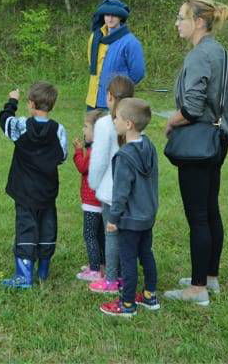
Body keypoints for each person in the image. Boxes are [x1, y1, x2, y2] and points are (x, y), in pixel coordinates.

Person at [164, 0, 228, 306]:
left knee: (198, 216)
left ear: (199, 22)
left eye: (181, 17)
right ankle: (210, 276)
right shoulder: (220, 52)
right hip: (217, 140)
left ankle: (197, 288)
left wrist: (171, 121)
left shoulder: (198, 56)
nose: (177, 23)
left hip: (197, 142)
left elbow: (191, 107)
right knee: (210, 209)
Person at [0, 82, 67, 288]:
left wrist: (12, 101)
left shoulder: (21, 126)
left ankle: (23, 276)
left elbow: (4, 121)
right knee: (47, 225)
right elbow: (62, 156)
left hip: (24, 191)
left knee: (26, 227)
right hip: (47, 190)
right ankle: (43, 270)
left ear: (30, 104)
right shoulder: (59, 129)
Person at [100, 98, 160, 317]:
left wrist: (113, 219)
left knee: (128, 260)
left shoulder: (124, 156)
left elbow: (121, 193)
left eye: (116, 117)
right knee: (146, 253)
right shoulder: (150, 146)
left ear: (128, 125)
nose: (113, 120)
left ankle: (127, 304)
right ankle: (149, 295)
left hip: (130, 219)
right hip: (147, 215)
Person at [87, 75, 136, 293]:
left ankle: (111, 279)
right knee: (127, 235)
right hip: (131, 192)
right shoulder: (135, 123)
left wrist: (94, 183)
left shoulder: (105, 124)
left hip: (110, 191)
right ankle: (127, 276)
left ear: (108, 96)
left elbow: (97, 160)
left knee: (111, 234)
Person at [85, 0, 146, 110]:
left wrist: (121, 90)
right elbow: (91, 63)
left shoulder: (131, 42)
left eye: (114, 15)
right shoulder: (95, 37)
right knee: (91, 128)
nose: (110, 18)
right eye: (107, 15)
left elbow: (138, 73)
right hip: (92, 100)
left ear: (120, 17)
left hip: (116, 102)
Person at [73, 109, 107, 282]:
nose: (83, 130)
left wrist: (78, 151)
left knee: (90, 234)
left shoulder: (94, 152)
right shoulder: (103, 148)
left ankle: (94, 270)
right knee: (100, 234)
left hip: (92, 201)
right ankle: (102, 265)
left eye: (86, 126)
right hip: (101, 201)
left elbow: (82, 167)